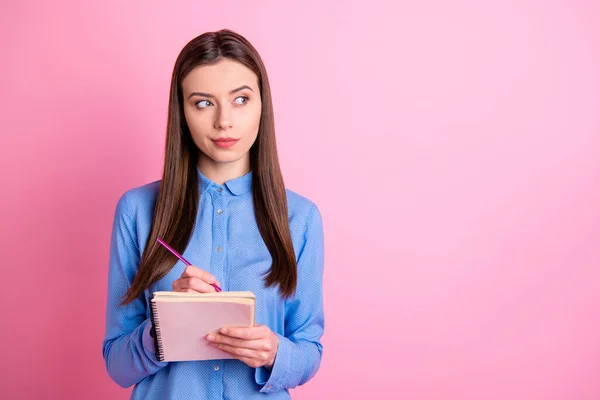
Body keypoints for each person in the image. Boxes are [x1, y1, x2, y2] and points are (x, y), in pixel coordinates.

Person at [102, 29, 325, 399]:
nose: (224, 121)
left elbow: (309, 350)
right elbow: (117, 365)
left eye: (240, 99)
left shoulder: (300, 218)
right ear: (182, 112)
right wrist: (166, 323)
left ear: (262, 105)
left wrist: (274, 353)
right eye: (204, 103)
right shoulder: (137, 211)